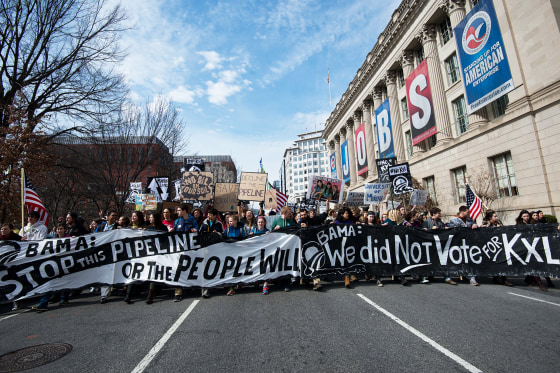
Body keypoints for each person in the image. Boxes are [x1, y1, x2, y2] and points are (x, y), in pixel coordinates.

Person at [31, 224, 70, 312]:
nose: (59, 230)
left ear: (65, 230)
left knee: (66, 280)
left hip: (66, 263)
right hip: (55, 264)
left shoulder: (70, 239)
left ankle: (64, 298)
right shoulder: (52, 240)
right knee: (50, 282)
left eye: (61, 229)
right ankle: (43, 303)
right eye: (58, 229)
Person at [171, 204, 198, 302]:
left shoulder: (192, 220)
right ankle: (178, 292)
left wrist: (196, 231)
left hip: (190, 249)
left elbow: (197, 231)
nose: (177, 212)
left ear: (184, 211)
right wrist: (172, 231)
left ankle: (189, 286)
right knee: (178, 269)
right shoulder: (177, 221)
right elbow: (174, 231)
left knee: (188, 268)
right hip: (179, 250)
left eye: (179, 210)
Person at [448, 206, 479, 286]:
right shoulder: (454, 220)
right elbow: (451, 231)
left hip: (469, 244)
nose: (469, 214)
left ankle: (471, 277)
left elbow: (474, 225)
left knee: (469, 260)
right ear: (462, 212)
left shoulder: (469, 220)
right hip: (458, 244)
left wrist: (475, 226)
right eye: (467, 212)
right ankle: (466, 275)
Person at [95, 210, 119, 303]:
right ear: (107, 217)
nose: (114, 217)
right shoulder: (101, 226)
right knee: (103, 273)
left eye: (116, 216)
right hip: (101, 253)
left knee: (108, 273)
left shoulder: (118, 227)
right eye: (113, 215)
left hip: (113, 253)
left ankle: (105, 293)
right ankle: (103, 292)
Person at [363, 212, 383, 287]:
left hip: (375, 246)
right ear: (367, 217)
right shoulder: (364, 225)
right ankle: (367, 274)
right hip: (366, 246)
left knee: (377, 262)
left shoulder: (376, 225)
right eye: (370, 217)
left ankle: (378, 279)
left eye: (373, 217)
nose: (371, 218)